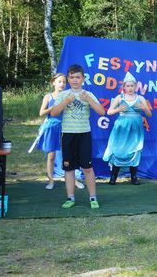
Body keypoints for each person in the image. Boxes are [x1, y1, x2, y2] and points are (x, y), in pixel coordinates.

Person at [51, 64, 105, 209]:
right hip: (68, 135)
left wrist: (89, 99)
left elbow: (101, 112)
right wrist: (66, 101)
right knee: (69, 169)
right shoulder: (63, 94)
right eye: (72, 77)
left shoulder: (88, 94)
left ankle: (93, 198)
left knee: (87, 168)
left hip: (84, 135)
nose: (75, 80)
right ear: (68, 79)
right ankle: (71, 198)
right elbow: (53, 113)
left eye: (78, 77)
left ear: (83, 79)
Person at [36, 73, 85, 190]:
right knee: (51, 155)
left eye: (64, 82)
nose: (62, 84)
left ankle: (74, 180)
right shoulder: (48, 97)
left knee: (70, 154)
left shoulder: (68, 95)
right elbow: (41, 113)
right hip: (52, 127)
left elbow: (76, 109)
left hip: (66, 127)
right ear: (53, 82)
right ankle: (51, 180)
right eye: (59, 82)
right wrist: (52, 109)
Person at [103, 73, 151, 185]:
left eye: (132, 86)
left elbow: (149, 114)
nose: (130, 88)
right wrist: (119, 109)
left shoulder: (140, 98)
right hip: (121, 129)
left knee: (134, 150)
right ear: (124, 87)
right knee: (119, 150)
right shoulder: (119, 98)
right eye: (128, 86)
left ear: (136, 86)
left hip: (135, 129)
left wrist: (144, 108)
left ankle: (134, 177)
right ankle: (113, 177)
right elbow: (109, 111)